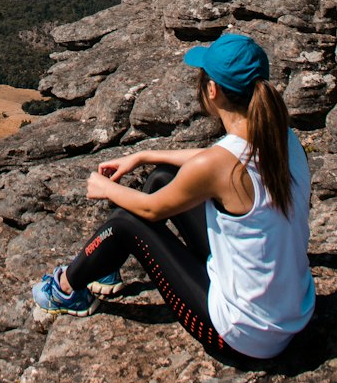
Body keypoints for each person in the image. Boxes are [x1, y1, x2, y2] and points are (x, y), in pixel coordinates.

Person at [31, 32, 315, 361]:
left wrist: (105, 188)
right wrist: (147, 154)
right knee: (162, 177)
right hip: (289, 313)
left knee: (125, 221)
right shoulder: (283, 137)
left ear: (213, 91)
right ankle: (103, 266)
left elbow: (153, 209)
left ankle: (65, 290)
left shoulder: (220, 165)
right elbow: (213, 161)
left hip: (242, 336)